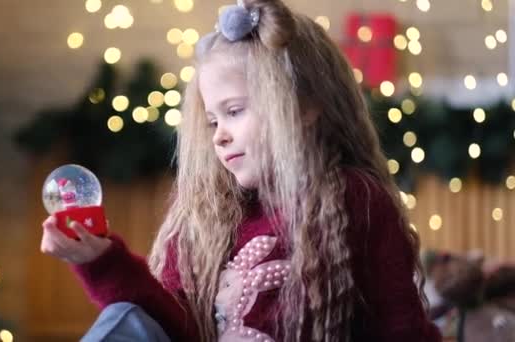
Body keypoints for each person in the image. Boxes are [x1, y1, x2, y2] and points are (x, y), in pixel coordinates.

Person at [41, 0, 442, 340]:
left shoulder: (355, 198)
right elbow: (179, 328)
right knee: (126, 320)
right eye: (213, 121)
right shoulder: (206, 210)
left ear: (304, 106)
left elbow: (401, 326)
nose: (220, 136)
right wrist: (102, 260)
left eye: (234, 111)